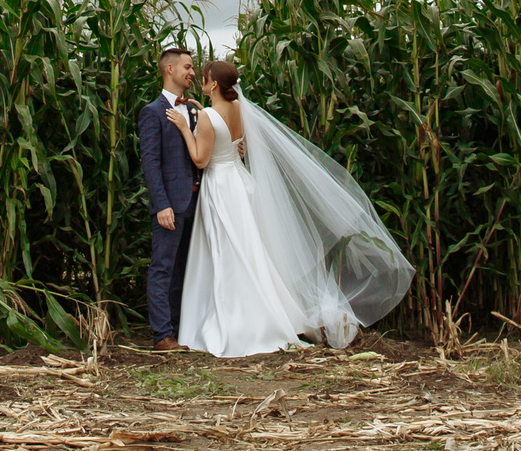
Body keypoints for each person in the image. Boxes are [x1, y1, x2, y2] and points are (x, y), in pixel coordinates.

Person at [156, 56, 413, 358]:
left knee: (227, 253)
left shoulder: (209, 117)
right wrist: (206, 119)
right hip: (241, 183)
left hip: (220, 189)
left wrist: (187, 128)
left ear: (212, 83)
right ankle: (269, 313)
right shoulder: (238, 108)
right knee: (252, 251)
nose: (199, 79)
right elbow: (238, 145)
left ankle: (233, 323)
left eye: (203, 76)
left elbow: (200, 159)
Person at [137, 46, 204, 350]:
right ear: (170, 70)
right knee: (163, 267)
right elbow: (150, 163)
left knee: (183, 269)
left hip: (195, 203)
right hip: (171, 205)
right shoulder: (152, 113)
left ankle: (178, 330)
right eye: (188, 67)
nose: (192, 73)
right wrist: (161, 204)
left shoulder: (192, 109)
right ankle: (162, 335)